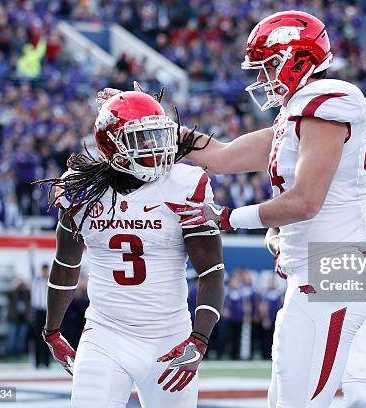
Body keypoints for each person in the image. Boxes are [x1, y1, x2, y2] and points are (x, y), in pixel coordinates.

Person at [98, 11, 366, 406]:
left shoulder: (329, 100)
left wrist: (229, 218)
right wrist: (147, 120)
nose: (262, 79)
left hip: (333, 274)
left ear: (296, 58)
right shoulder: (293, 115)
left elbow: (305, 201)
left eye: (268, 67)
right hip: (310, 277)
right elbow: (222, 157)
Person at [34, 91, 225, 408]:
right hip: (105, 334)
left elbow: (212, 273)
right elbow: (66, 264)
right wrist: (52, 331)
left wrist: (199, 339)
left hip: (169, 336)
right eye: (142, 139)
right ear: (113, 145)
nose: (156, 148)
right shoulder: (80, 190)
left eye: (158, 136)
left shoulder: (184, 184)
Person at [266, 96, 366, 408]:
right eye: (363, 128)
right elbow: (274, 229)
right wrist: (281, 248)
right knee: (287, 389)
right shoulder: (316, 164)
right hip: (308, 284)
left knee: (358, 396)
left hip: (355, 292)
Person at [31, 264, 51, 368]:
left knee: (48, 337)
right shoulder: (36, 281)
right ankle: (38, 362)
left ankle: (47, 362)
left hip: (48, 312)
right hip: (38, 312)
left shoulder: (51, 281)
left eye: (46, 270)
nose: (45, 272)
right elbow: (31, 267)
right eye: (43, 270)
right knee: (37, 337)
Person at [5, 278, 31, 358]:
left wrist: (26, 285)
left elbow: (30, 293)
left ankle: (19, 354)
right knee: (11, 337)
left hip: (23, 319)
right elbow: (8, 294)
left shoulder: (26, 293)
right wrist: (14, 285)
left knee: (21, 338)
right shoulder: (13, 293)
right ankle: (9, 353)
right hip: (13, 318)